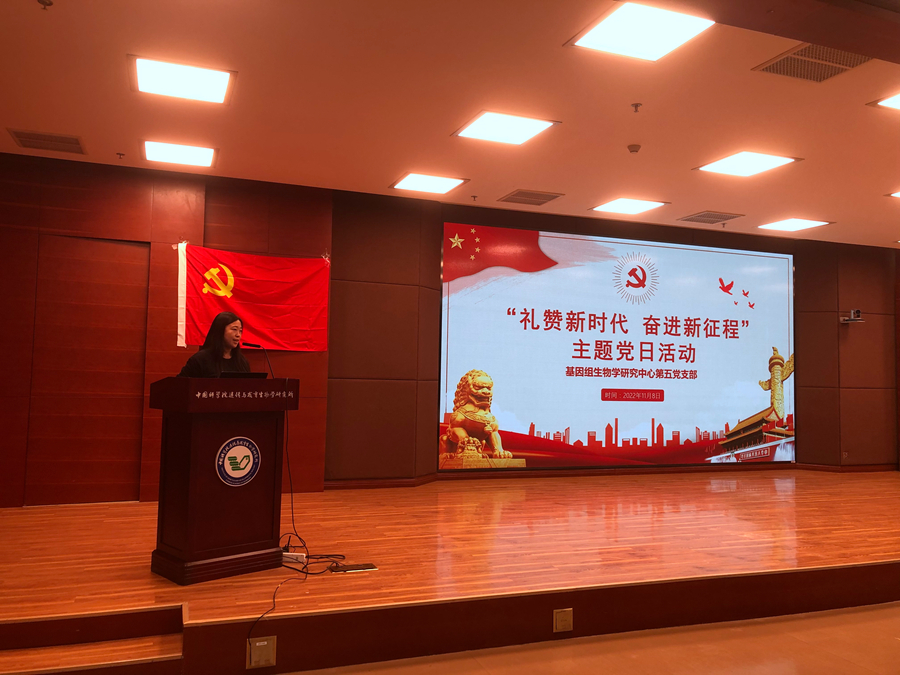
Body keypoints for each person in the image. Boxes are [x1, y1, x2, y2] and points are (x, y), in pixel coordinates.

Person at [178, 311, 252, 377]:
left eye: (240, 331)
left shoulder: (242, 362)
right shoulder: (200, 359)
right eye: (234, 329)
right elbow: (180, 384)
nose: (238, 335)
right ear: (220, 330)